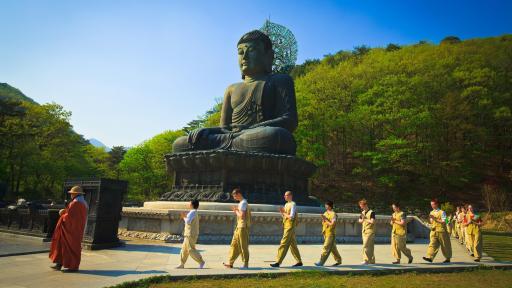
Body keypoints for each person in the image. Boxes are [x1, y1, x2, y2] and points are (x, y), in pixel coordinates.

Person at [49, 186, 88, 272]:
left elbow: (69, 217)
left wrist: (62, 214)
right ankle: (59, 264)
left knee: (69, 247)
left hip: (71, 230)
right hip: (76, 229)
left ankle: (72, 266)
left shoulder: (75, 203)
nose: (71, 195)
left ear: (76, 194)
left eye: (72, 193)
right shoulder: (83, 203)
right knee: (65, 246)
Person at [270, 191, 303, 267]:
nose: (285, 197)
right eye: (284, 195)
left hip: (290, 227)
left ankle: (278, 262)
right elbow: (285, 217)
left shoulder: (293, 204)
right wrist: (282, 213)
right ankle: (299, 261)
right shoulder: (286, 204)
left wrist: (284, 213)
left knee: (283, 243)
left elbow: (291, 216)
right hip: (286, 226)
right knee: (293, 245)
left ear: (290, 196)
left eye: (286, 195)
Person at [224, 188, 251, 268]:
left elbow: (242, 216)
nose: (234, 198)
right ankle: (230, 262)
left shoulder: (243, 203)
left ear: (239, 194)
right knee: (234, 244)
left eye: (235, 196)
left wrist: (235, 210)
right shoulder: (242, 203)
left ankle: (245, 263)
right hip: (239, 226)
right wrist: (236, 210)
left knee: (243, 246)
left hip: (242, 227)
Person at [176, 200, 205, 269]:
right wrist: (186, 216)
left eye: (190, 203)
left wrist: (183, 217)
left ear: (192, 205)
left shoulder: (192, 212)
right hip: (189, 234)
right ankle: (182, 264)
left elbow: (188, 221)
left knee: (190, 250)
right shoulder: (194, 212)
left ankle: (201, 261)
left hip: (190, 234)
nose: (189, 204)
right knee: (184, 249)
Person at [423, 198, 452, 263]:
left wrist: (435, 219)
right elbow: (431, 221)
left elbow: (445, 221)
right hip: (433, 231)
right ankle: (430, 257)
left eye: (433, 204)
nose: (432, 206)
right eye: (431, 204)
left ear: (436, 204)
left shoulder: (442, 212)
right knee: (432, 244)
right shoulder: (431, 212)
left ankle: (448, 258)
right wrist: (429, 222)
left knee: (445, 245)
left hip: (442, 231)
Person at [314, 201, 342, 266]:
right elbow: (324, 222)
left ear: (329, 206)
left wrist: (325, 219)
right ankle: (339, 260)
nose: (325, 206)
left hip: (331, 233)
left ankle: (321, 262)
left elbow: (332, 224)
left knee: (326, 247)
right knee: (333, 248)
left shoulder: (333, 214)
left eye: (326, 205)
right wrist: (324, 219)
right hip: (325, 233)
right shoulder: (325, 213)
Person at [358, 199, 376, 265]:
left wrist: (365, 219)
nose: (361, 207)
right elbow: (359, 221)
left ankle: (366, 260)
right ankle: (372, 260)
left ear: (365, 205)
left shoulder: (372, 212)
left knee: (365, 245)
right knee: (370, 246)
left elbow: (372, 221)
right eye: (360, 206)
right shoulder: (362, 213)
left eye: (362, 206)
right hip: (364, 231)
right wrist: (362, 219)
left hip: (370, 231)